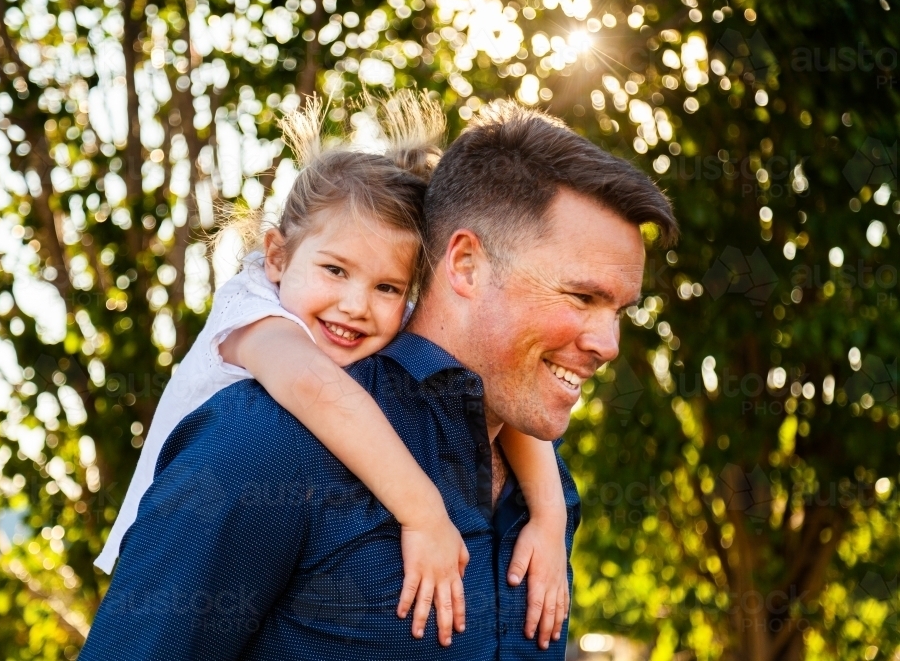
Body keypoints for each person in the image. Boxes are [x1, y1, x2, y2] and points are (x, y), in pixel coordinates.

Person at [79, 100, 677, 660]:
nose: (608, 344)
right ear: (465, 265)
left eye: (619, 310)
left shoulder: (541, 480)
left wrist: (549, 516)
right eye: (581, 296)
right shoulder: (269, 439)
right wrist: (423, 511)